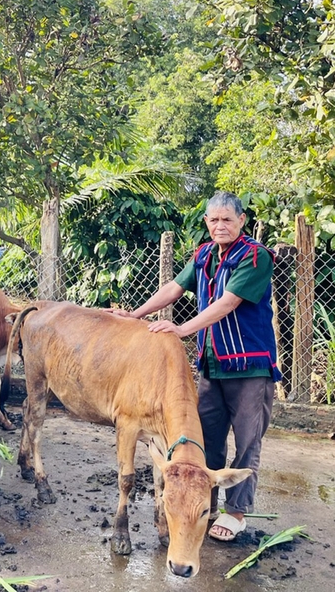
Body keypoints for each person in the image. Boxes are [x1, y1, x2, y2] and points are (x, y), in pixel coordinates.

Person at [110, 191, 280, 542]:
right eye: (214, 220)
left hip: (250, 368)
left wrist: (182, 328)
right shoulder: (204, 255)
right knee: (208, 442)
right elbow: (173, 288)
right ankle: (206, 504)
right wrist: (135, 315)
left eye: (227, 219)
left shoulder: (255, 256)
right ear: (206, 222)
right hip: (211, 367)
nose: (220, 226)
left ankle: (236, 513)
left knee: (247, 442)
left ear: (242, 220)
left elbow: (228, 303)